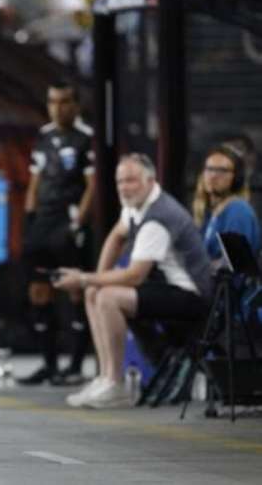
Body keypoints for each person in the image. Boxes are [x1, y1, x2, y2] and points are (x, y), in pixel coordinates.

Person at [54, 153, 213, 409]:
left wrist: (84, 278)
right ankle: (105, 377)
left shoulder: (159, 216)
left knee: (107, 297)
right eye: (120, 182)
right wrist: (95, 279)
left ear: (150, 181)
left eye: (131, 181)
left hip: (191, 296)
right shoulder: (136, 204)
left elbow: (134, 275)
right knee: (95, 292)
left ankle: (116, 384)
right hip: (168, 287)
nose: (124, 187)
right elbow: (117, 236)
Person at [18, 80, 95, 387]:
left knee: (75, 289)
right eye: (52, 101)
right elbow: (35, 180)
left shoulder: (87, 138)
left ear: (75, 105)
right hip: (42, 223)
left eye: (64, 102)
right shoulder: (44, 136)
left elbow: (93, 185)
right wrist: (28, 217)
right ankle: (49, 364)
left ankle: (75, 365)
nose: (57, 108)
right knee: (39, 290)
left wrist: (78, 224)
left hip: (69, 221)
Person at [192, 145, 261, 266]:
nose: (213, 176)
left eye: (222, 170)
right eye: (209, 169)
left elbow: (235, 266)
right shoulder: (209, 212)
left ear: (236, 178)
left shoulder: (238, 211)